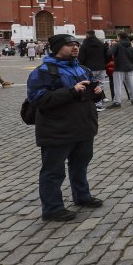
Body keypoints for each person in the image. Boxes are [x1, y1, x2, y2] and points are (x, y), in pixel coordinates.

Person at [26, 34, 104, 221]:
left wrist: (97, 93)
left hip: (83, 127)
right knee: (53, 171)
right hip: (57, 129)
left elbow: (91, 98)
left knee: (80, 165)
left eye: (76, 44)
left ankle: (82, 195)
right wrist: (71, 91)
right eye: (69, 45)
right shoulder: (44, 71)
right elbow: (38, 99)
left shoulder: (83, 69)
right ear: (57, 49)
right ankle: (52, 208)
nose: (75, 47)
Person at [78, 30, 109, 112]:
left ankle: (91, 104)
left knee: (89, 86)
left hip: (89, 68)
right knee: (100, 85)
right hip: (101, 67)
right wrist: (104, 63)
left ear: (87, 35)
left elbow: (81, 58)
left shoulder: (84, 45)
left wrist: (81, 66)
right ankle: (98, 104)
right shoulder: (101, 44)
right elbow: (107, 55)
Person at [109, 32, 133, 108]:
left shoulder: (117, 45)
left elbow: (110, 52)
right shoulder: (130, 45)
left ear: (119, 37)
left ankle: (117, 101)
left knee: (117, 85)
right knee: (131, 84)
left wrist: (110, 46)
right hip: (129, 67)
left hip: (119, 67)